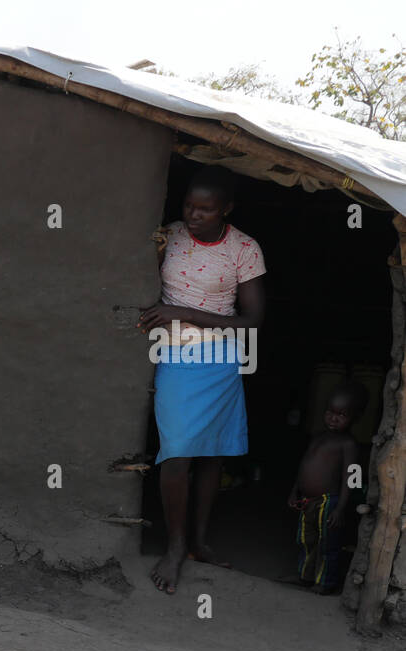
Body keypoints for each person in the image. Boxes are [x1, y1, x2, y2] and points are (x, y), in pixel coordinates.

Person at [138, 166, 266, 594]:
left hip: (221, 358)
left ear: (226, 210)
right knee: (176, 454)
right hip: (172, 353)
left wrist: (186, 312)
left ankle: (198, 542)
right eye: (190, 206)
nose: (194, 215)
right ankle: (174, 548)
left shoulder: (244, 249)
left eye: (206, 210)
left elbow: (252, 321)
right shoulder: (168, 235)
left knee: (212, 453)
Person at [287, 383, 365, 595]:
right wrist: (295, 491)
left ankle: (325, 582)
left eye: (342, 415)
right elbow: (303, 465)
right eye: (330, 412)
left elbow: (351, 477)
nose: (333, 418)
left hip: (328, 502)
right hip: (307, 501)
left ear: (355, 418)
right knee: (306, 540)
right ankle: (305, 576)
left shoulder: (348, 444)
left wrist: (341, 508)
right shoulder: (318, 436)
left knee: (328, 545)